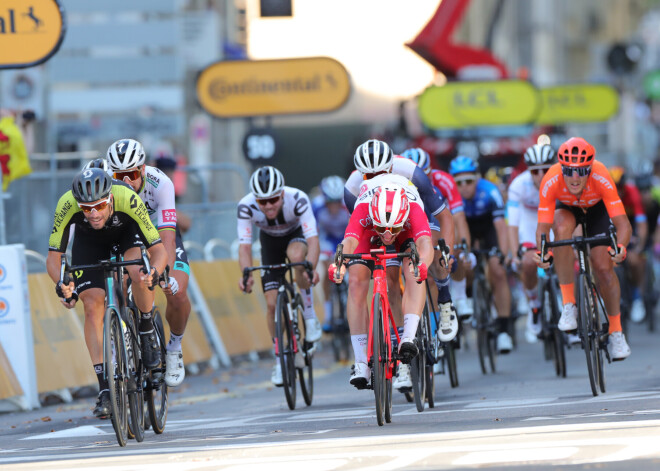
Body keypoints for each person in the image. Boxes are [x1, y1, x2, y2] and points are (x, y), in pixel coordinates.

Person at [46, 168, 168, 418]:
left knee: (138, 273)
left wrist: (154, 271)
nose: (93, 213)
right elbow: (54, 256)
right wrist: (62, 284)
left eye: (99, 206)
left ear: (110, 199)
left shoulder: (127, 197)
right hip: (88, 244)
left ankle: (145, 328)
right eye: (86, 208)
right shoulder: (67, 203)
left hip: (127, 235)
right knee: (92, 305)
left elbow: (158, 249)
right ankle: (105, 389)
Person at [343, 140, 455, 390]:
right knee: (363, 280)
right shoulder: (354, 190)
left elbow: (439, 222)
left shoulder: (413, 177)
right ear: (361, 174)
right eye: (369, 175)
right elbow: (353, 235)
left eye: (381, 173)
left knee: (418, 267)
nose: (375, 179)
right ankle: (362, 361)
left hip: (408, 219)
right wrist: (342, 265)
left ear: (392, 166)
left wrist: (429, 262)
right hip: (374, 221)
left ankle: (423, 322)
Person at [533, 137, 632, 360]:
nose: (575, 178)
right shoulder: (550, 180)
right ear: (561, 168)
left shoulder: (601, 175)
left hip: (597, 211)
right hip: (567, 210)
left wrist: (621, 248)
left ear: (590, 168)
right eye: (569, 171)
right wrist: (542, 252)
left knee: (603, 268)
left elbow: (623, 224)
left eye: (582, 170)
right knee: (560, 229)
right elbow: (543, 227)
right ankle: (569, 304)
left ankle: (616, 332)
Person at [329, 182, 433, 389]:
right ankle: (361, 363)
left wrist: (422, 265)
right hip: (369, 232)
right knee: (356, 282)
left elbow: (425, 245)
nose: (387, 235)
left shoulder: (412, 209)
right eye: (382, 229)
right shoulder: (363, 208)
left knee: (413, 271)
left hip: (406, 232)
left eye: (392, 229)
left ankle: (408, 338)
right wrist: (339, 266)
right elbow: (348, 243)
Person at [106, 138, 191, 387]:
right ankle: (124, 338)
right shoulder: (107, 186)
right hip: (127, 237)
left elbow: (167, 237)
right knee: (118, 280)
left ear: (142, 169)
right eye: (119, 175)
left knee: (177, 292)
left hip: (158, 235)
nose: (126, 182)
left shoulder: (160, 183)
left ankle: (174, 347)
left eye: (131, 174)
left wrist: (165, 274)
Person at [237, 166, 321, 386]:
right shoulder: (245, 206)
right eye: (262, 202)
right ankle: (279, 360)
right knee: (272, 305)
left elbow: (312, 241)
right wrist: (246, 274)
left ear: (282, 193)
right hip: (269, 243)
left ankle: (310, 317)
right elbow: (244, 247)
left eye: (273, 199)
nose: (268, 206)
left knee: (296, 258)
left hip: (296, 236)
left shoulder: (298, 199)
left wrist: (310, 267)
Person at [449, 155, 513, 353]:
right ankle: (466, 296)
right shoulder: (450, 196)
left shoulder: (490, 191)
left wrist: (502, 254)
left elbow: (500, 227)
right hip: (463, 227)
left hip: (487, 228)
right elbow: (452, 229)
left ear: (477, 179)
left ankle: (503, 331)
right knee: (462, 262)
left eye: (469, 181)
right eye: (459, 183)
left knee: (498, 270)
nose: (465, 187)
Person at [401, 147, 473, 321]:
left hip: (436, 214)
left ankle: (460, 297)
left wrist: (463, 248)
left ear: (430, 172)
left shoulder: (444, 181)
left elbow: (457, 218)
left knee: (444, 253)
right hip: (412, 214)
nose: (417, 182)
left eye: (423, 175)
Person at [507, 144, 555, 343]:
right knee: (527, 262)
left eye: (546, 169)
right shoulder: (518, 185)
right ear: (529, 171)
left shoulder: (560, 182)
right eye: (536, 171)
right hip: (529, 223)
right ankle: (534, 305)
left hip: (552, 221)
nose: (541, 175)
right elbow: (513, 224)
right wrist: (515, 253)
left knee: (567, 254)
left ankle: (568, 302)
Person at [609, 166, 648, 323]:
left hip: (629, 227)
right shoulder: (605, 194)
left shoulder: (632, 193)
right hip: (611, 227)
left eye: (620, 188)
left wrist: (639, 246)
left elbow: (642, 223)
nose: (618, 192)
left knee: (633, 260)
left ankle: (637, 297)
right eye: (614, 188)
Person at [312, 175, 350, 332]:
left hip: (345, 237)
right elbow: (312, 232)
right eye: (330, 202)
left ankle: (347, 305)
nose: (334, 206)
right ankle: (328, 315)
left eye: (337, 202)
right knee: (328, 270)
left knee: (349, 271)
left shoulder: (348, 205)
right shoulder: (316, 206)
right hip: (327, 239)